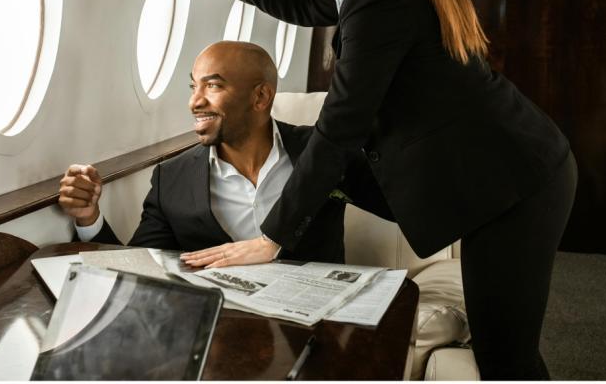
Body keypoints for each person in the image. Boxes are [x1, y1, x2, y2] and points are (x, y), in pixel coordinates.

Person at [161, 0, 577, 380]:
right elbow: (310, 6)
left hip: (513, 182)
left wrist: (272, 238)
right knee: (501, 345)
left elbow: (342, 124)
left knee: (505, 355)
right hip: (490, 170)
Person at [58, 40, 381, 263]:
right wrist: (89, 218)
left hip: (318, 332)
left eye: (212, 86)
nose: (195, 102)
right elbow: (139, 268)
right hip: (224, 336)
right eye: (193, 86)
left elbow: (398, 202)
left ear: (260, 97)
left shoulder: (323, 151)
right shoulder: (172, 178)